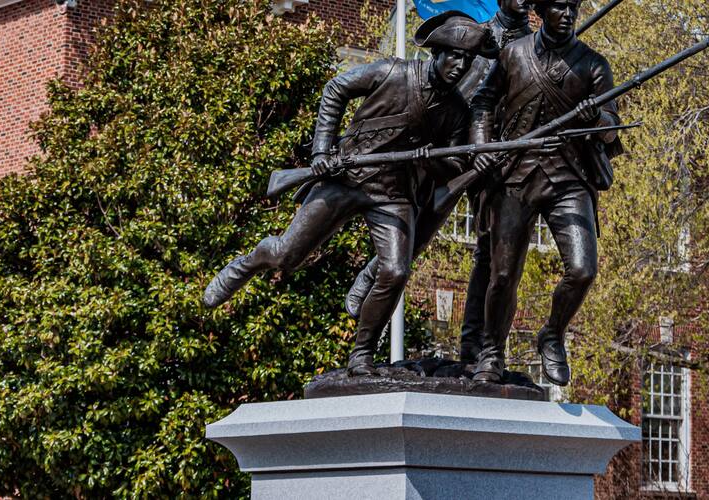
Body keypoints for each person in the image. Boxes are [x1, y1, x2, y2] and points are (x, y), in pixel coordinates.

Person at [201, 11, 495, 376]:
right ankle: (253, 260)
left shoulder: (456, 112)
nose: (460, 65)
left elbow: (449, 163)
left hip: (393, 194)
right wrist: (322, 151)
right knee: (286, 255)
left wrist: (438, 160)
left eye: (468, 60)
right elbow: (335, 89)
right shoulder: (392, 72)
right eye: (455, 55)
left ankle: (362, 355)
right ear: (437, 52)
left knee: (395, 270)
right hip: (346, 179)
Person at [344, 0, 534, 364]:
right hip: (449, 144)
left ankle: (473, 348)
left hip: (495, 154)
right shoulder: (475, 33)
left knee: (490, 250)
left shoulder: (531, 45)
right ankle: (370, 277)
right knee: (420, 225)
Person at [468, 0, 623, 385]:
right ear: (541, 10)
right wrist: (483, 145)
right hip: (515, 175)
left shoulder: (593, 65)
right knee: (502, 275)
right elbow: (483, 103)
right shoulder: (513, 54)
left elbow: (612, 130)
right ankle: (491, 352)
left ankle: (552, 334)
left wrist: (596, 118)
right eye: (558, 5)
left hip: (569, 178)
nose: (568, 13)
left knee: (583, 269)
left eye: (573, 6)